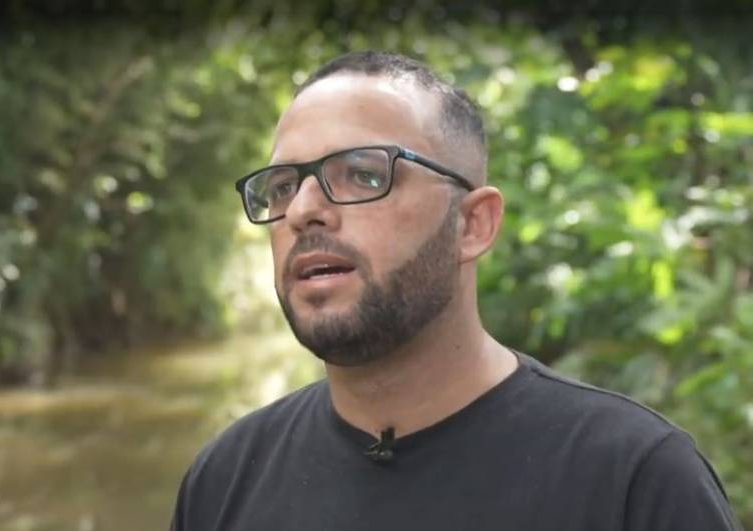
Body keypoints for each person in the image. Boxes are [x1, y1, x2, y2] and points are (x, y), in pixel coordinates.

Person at [169, 50, 741, 530]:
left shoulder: (633, 481)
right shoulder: (225, 480)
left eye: (364, 175)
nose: (302, 211)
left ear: (472, 225)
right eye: (282, 187)